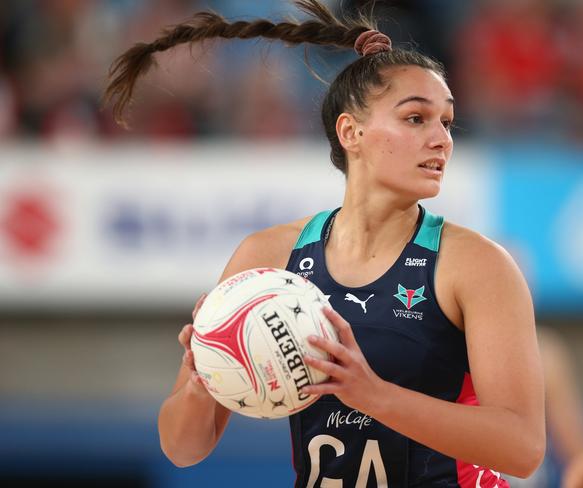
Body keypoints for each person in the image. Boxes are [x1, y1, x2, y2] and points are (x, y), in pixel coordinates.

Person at [104, 1, 545, 486]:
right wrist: (201, 377)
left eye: (447, 121)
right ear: (351, 132)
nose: (441, 138)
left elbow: (522, 448)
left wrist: (372, 394)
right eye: (417, 118)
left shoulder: (477, 265)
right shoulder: (268, 260)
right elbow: (183, 449)